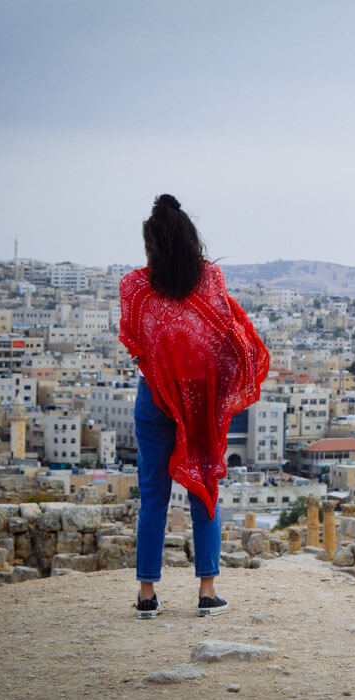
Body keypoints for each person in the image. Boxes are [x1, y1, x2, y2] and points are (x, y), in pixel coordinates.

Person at [118, 194, 269, 618]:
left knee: (153, 496)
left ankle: (147, 595)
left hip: (153, 397)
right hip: (199, 400)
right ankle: (207, 590)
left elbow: (137, 344)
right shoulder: (210, 280)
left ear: (152, 244)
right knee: (205, 488)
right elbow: (230, 338)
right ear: (189, 239)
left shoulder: (133, 287)